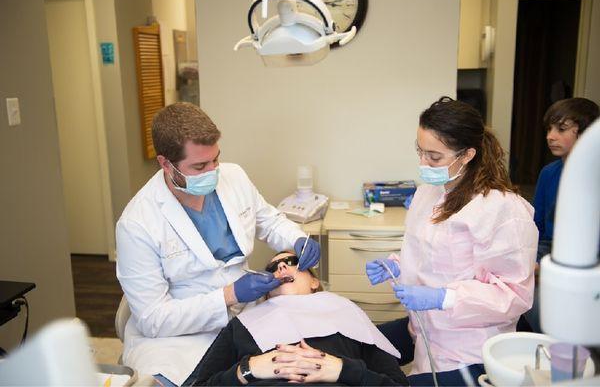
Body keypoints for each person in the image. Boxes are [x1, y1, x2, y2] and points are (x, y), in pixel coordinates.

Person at [115, 102, 321, 386]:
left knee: (296, 369)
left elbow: (269, 221)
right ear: (166, 163)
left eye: (216, 159)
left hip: (247, 314)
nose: (213, 171)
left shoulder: (233, 176)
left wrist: (297, 238)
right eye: (200, 166)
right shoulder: (137, 223)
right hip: (179, 338)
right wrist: (228, 295)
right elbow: (154, 319)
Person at [365, 97, 537, 386]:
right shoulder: (428, 193)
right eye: (420, 151)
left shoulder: (503, 210)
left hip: (470, 348)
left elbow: (515, 294)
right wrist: (396, 266)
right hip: (426, 335)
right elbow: (431, 258)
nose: (423, 163)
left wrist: (445, 297)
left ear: (467, 154)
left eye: (434, 157)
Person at [183, 252, 410, 386]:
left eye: (292, 261)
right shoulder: (245, 323)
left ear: (314, 282)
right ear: (266, 290)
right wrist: (248, 369)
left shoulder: (346, 311)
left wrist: (343, 370)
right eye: (272, 268)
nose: (281, 266)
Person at [525, 97, 599, 333]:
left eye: (561, 129)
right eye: (549, 129)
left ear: (587, 133)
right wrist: (528, 259)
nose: (550, 136)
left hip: (586, 258)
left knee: (544, 306)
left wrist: (543, 269)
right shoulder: (549, 173)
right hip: (548, 247)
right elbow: (535, 227)